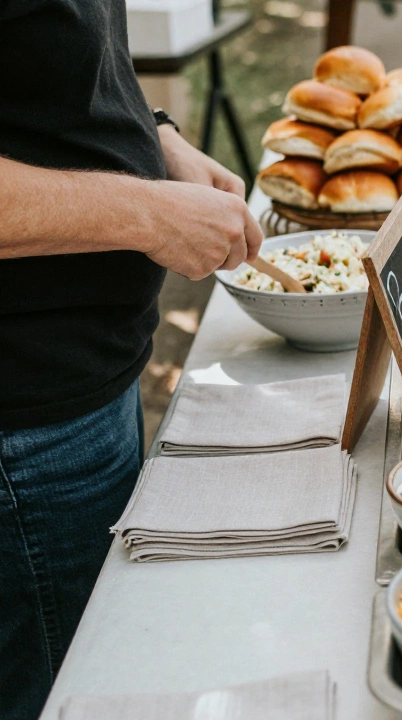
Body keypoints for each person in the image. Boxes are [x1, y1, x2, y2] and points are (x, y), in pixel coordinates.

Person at [0, 2, 263, 717]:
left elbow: (47, 58)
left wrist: (154, 132)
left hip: (91, 385)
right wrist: (145, 212)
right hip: (24, 433)